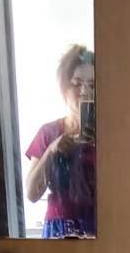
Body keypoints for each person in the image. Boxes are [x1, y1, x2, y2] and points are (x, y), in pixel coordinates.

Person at [25, 45, 96, 238]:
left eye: (93, 85)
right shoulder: (48, 133)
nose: (85, 91)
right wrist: (51, 150)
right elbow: (31, 194)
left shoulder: (115, 136)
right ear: (64, 89)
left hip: (101, 232)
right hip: (58, 232)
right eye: (77, 84)